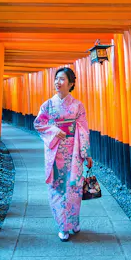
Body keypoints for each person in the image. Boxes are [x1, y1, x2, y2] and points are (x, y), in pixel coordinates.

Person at [34, 67, 93, 242]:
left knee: (74, 188)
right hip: (55, 152)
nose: (57, 82)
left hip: (74, 152)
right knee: (57, 188)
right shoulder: (48, 105)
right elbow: (38, 124)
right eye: (56, 79)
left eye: (61, 79)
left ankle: (73, 221)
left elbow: (83, 129)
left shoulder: (77, 106)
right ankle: (62, 225)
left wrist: (86, 153)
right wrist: (53, 130)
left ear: (71, 83)